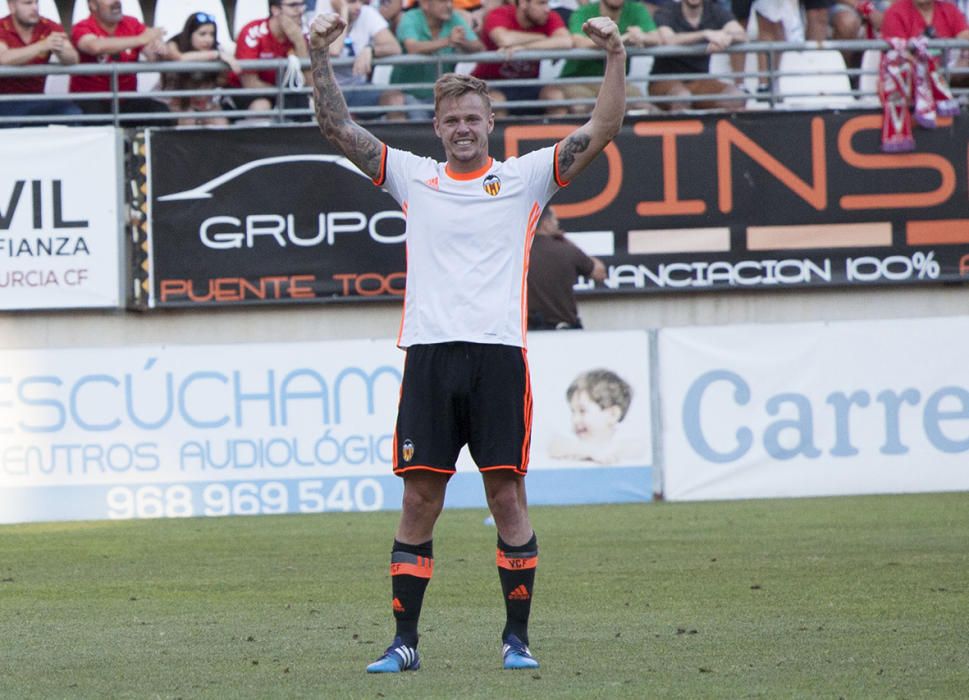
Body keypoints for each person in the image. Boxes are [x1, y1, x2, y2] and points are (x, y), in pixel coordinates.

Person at [308, 8, 626, 674]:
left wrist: (614, 57)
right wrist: (317, 53)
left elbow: (601, 129)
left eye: (472, 119)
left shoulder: (524, 179)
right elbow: (336, 127)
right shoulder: (410, 176)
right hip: (428, 356)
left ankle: (516, 640)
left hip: (496, 358)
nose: (461, 129)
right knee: (419, 500)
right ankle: (404, 643)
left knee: (505, 496)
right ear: (437, 127)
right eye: (450, 120)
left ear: (490, 123)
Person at [69, 0, 172, 120]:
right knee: (97, 123)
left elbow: (151, 54)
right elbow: (94, 46)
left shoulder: (131, 23)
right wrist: (140, 39)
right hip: (91, 100)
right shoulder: (82, 26)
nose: (116, 2)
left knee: (162, 114)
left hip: (126, 99)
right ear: (92, 4)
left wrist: (159, 49)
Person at [470, 0, 571, 116]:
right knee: (496, 103)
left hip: (527, 84)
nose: (547, 9)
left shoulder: (549, 17)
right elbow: (504, 40)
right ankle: (500, 135)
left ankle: (556, 134)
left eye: (547, 3)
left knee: (555, 98)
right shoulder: (499, 13)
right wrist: (543, 37)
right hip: (491, 83)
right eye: (541, 3)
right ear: (523, 3)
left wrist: (525, 47)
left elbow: (566, 41)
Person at [558, 0, 660, 114]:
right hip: (579, 79)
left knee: (643, 107)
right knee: (581, 107)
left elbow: (656, 38)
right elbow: (579, 42)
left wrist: (641, 36)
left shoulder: (636, 9)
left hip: (617, 81)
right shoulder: (584, 11)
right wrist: (619, 40)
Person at [649, 0, 748, 111]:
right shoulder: (666, 12)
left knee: (736, 97)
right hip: (665, 80)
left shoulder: (714, 10)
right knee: (682, 97)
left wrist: (727, 37)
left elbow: (742, 34)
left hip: (700, 79)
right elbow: (668, 39)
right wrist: (705, 34)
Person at [314, 0, 408, 117]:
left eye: (362, 1)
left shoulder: (366, 12)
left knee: (395, 99)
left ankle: (397, 135)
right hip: (328, 92)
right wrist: (343, 12)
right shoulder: (322, 15)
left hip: (358, 88)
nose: (358, 6)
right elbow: (334, 50)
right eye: (352, 1)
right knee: (347, 120)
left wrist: (371, 49)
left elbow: (395, 47)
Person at [389, 0, 484, 114]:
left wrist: (461, 41)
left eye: (450, 1)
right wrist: (448, 41)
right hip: (409, 94)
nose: (448, 5)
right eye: (442, 2)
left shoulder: (454, 18)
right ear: (425, 4)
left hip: (444, 96)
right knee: (418, 119)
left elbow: (478, 46)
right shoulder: (410, 18)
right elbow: (412, 48)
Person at [0, 0, 81, 123]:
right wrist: (42, 45)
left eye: (36, 3)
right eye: (27, 3)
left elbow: (74, 58)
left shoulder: (47, 26)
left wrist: (60, 49)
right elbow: (4, 58)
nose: (34, 8)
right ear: (12, 7)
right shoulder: (2, 26)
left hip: (37, 98)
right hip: (5, 101)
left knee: (73, 113)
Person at [527, 206, 605, 330]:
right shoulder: (566, 250)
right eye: (555, 220)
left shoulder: (520, 252)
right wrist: (566, 241)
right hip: (564, 330)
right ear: (546, 224)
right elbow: (599, 273)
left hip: (528, 332)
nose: (557, 223)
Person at [230, 0, 312, 117]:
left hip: (288, 93)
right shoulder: (253, 32)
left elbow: (311, 84)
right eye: (293, 5)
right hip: (248, 92)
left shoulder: (304, 34)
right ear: (275, 10)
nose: (300, 10)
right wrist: (283, 95)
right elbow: (250, 83)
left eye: (302, 4)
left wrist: (299, 41)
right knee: (262, 106)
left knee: (315, 105)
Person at [163, 12, 241, 125]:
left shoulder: (218, 50)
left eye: (212, 34)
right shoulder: (174, 44)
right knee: (188, 119)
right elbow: (180, 58)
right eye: (202, 34)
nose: (208, 39)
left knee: (220, 122)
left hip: (205, 104)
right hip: (174, 105)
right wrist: (215, 55)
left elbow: (222, 81)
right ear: (190, 34)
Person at [548, 368, 638, 464]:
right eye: (573, 412)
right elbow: (555, 446)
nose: (575, 419)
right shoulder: (575, 441)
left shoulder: (621, 441)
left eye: (582, 411)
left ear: (613, 415)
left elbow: (637, 448)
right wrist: (591, 452)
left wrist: (607, 452)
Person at [881, 0, 969, 87]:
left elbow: (965, 36)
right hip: (909, 83)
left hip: (948, 80)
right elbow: (898, 55)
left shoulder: (950, 9)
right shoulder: (896, 12)